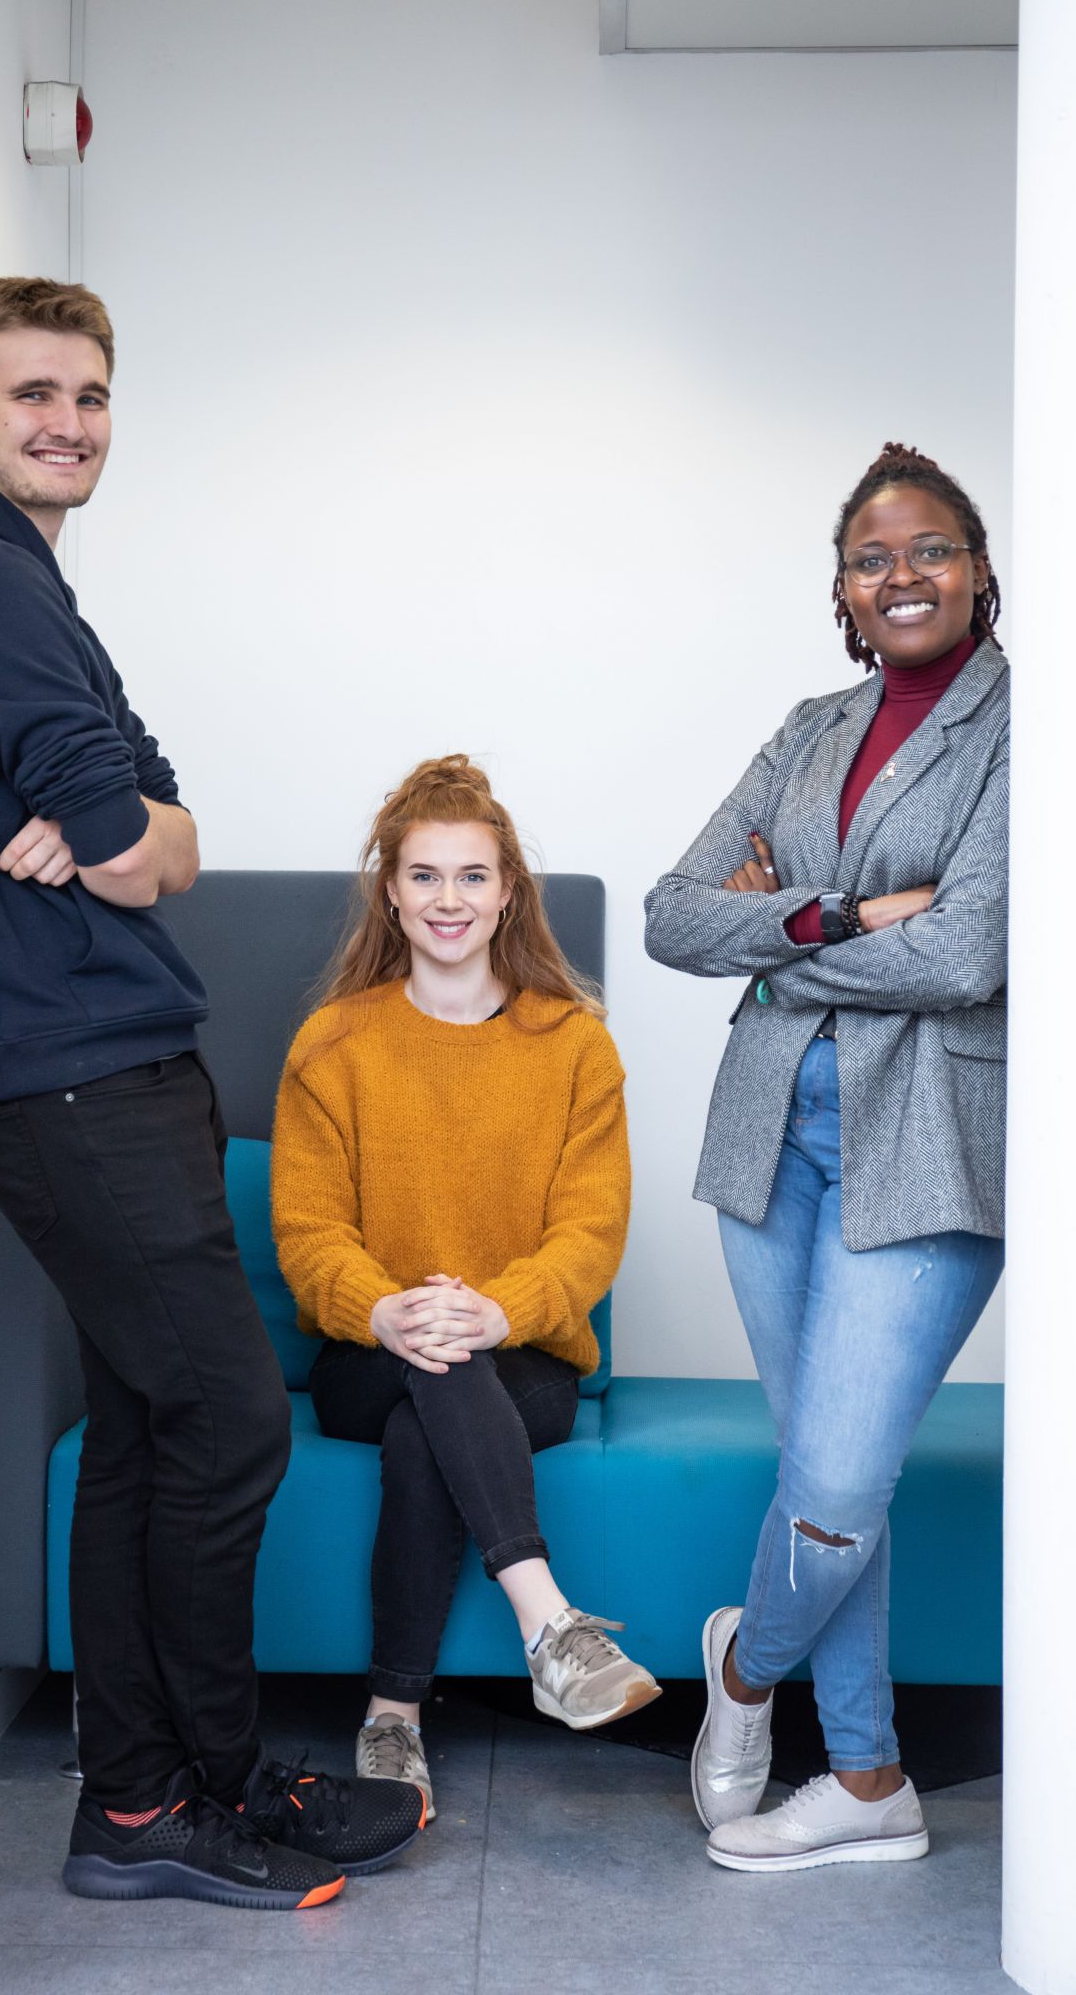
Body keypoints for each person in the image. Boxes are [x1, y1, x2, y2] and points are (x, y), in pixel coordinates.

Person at [0, 276, 423, 1912]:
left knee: (144, 1436)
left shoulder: (27, 586)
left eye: (92, 395)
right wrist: (121, 837)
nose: (68, 420)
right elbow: (126, 847)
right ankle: (174, 1797)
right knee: (231, 1424)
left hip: (117, 1069)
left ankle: (158, 1796)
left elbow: (162, 826)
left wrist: (129, 835)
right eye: (32, 391)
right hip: (67, 1083)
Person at [645, 442, 1008, 1874]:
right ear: (846, 597)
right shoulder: (807, 729)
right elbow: (680, 915)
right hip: (769, 1135)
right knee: (821, 1472)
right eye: (873, 558)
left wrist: (777, 943)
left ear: (980, 572)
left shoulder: (1028, 727)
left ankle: (741, 1668)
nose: (902, 574)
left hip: (927, 1140)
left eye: (930, 549)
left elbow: (973, 948)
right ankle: (866, 1782)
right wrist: (845, 920)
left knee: (843, 1481)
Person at [270, 756, 660, 1820]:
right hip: (362, 1354)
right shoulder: (336, 1043)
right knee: (427, 1368)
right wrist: (384, 1308)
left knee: (430, 1411)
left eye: (473, 877)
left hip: (521, 1355)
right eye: (427, 876)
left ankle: (391, 1719)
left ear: (509, 891)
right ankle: (550, 1626)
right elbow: (307, 1234)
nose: (451, 900)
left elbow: (592, 1231)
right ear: (390, 890)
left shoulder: (574, 1045)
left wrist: (498, 1308)